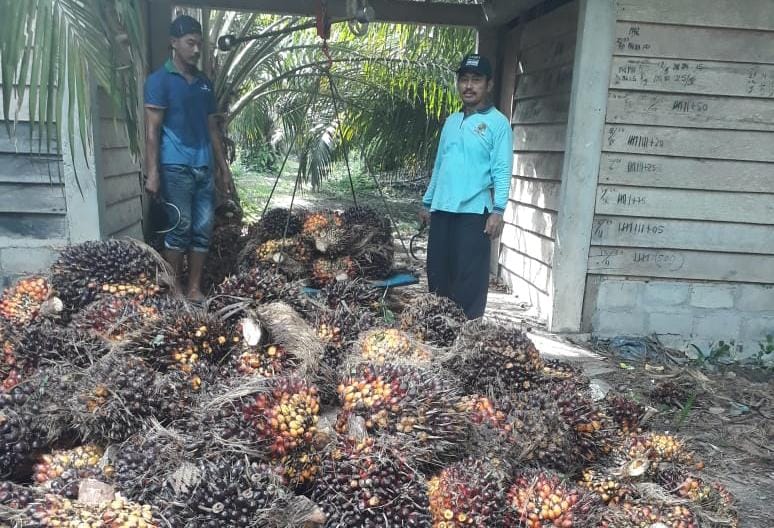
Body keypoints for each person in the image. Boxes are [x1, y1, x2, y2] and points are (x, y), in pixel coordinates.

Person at [144, 14, 232, 302]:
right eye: (190, 43)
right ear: (174, 43)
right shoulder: (159, 81)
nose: (196, 50)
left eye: (199, 45)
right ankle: (174, 289)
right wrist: (153, 173)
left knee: (202, 229)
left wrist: (223, 168)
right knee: (179, 227)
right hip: (175, 167)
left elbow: (212, 129)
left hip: (203, 166)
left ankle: (194, 288)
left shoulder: (204, 83)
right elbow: (152, 131)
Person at [419, 54, 513, 319]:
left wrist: (498, 210)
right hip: (441, 210)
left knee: (469, 280)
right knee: (437, 274)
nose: (469, 86)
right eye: (464, 80)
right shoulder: (451, 122)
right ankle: (439, 331)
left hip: (474, 212)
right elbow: (440, 165)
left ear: (489, 85)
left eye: (476, 80)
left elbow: (502, 169)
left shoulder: (498, 123)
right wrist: (428, 202)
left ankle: (467, 337)